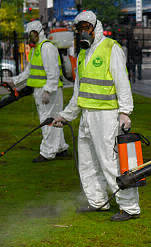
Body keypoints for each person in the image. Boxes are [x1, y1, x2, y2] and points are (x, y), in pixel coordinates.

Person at [52, 11, 140, 221]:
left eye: (86, 27)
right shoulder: (83, 54)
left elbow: (122, 82)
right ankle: (97, 201)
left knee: (111, 162)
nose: (83, 31)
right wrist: (66, 116)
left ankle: (129, 207)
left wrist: (125, 112)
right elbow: (79, 92)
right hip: (87, 115)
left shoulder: (111, 48)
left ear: (94, 27)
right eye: (80, 28)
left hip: (106, 116)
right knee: (87, 162)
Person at [5, 20, 69, 162]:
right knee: (54, 119)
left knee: (47, 121)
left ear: (37, 33)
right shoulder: (37, 49)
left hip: (49, 91)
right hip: (42, 90)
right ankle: (60, 147)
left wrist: (48, 90)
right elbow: (30, 71)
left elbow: (53, 72)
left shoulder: (47, 48)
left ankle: (47, 152)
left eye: (31, 34)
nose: (29, 38)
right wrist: (15, 81)